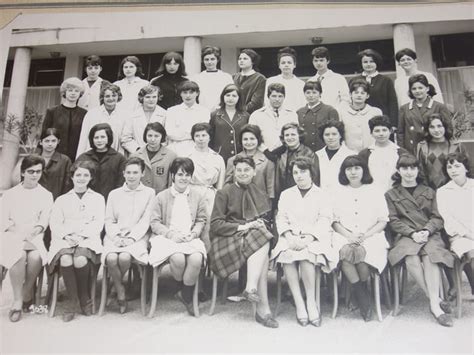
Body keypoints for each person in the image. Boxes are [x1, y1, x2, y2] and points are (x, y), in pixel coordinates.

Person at [385, 154, 454, 327]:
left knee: (431, 256)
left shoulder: (429, 191)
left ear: (417, 170)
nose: (409, 172)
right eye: (404, 168)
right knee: (411, 257)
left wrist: (426, 230)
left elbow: (437, 217)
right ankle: (435, 301)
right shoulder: (391, 194)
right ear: (398, 171)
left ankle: (433, 305)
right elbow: (393, 220)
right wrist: (411, 233)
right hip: (406, 235)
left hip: (429, 234)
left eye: (412, 168)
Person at [210, 156, 278, 328]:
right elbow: (216, 224)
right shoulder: (224, 192)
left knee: (262, 237)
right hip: (227, 240)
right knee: (262, 240)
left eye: (246, 170)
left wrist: (260, 224)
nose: (242, 173)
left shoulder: (258, 192)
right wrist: (246, 226)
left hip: (252, 239)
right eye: (238, 170)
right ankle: (261, 307)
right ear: (234, 172)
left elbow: (265, 219)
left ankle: (253, 293)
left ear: (254, 172)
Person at [271, 157, 337, 327]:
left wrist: (309, 238)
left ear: (311, 173)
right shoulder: (286, 194)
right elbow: (281, 218)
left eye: (303, 171)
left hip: (314, 237)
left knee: (308, 256)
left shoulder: (322, 195)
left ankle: (311, 302)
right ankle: (299, 303)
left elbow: (325, 219)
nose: (298, 176)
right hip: (290, 237)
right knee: (287, 255)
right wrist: (289, 236)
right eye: (295, 172)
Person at [332, 155, 389, 322]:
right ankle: (362, 294)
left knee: (363, 256)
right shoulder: (337, 192)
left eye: (357, 168)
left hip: (371, 235)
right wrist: (349, 235)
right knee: (346, 253)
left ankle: (359, 290)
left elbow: (383, 220)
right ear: (344, 172)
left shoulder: (375, 190)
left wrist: (365, 235)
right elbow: (334, 221)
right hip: (344, 235)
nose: (353, 172)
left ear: (363, 170)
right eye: (348, 169)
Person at [148, 158, 207, 315]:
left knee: (196, 259)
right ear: (173, 175)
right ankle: (186, 292)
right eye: (180, 174)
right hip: (167, 238)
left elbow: (201, 220)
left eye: (187, 175)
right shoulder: (161, 196)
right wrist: (170, 234)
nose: (183, 178)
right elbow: (154, 222)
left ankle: (185, 294)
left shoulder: (197, 196)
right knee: (178, 259)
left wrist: (194, 233)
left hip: (189, 237)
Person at [48, 160, 105, 322]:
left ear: (91, 178)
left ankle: (84, 296)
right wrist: (67, 236)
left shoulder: (98, 199)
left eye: (85, 175)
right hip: (65, 239)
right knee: (66, 259)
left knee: (80, 259)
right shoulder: (62, 199)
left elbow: (98, 223)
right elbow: (55, 223)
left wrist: (81, 236)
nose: (81, 178)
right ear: (72, 177)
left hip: (87, 239)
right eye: (78, 174)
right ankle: (71, 302)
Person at [1, 155, 53, 322]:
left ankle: (26, 291)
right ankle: (18, 300)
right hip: (12, 235)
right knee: (19, 254)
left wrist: (36, 229)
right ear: (23, 172)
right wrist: (19, 232)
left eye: (38, 171)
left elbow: (44, 220)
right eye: (31, 171)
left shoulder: (46, 195)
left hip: (34, 236)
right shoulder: (10, 194)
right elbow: (3, 219)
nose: (34, 175)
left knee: (36, 256)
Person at [103, 157, 155, 314]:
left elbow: (146, 220)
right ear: (123, 173)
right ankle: (120, 289)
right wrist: (117, 237)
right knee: (111, 258)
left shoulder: (149, 193)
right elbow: (109, 220)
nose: (132, 176)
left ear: (142, 173)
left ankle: (116, 284)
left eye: (135, 172)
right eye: (128, 172)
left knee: (125, 257)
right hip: (115, 235)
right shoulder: (114, 194)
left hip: (138, 236)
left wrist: (131, 238)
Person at [437, 152, 474, 294]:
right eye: (449, 167)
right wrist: (470, 235)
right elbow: (448, 219)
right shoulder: (443, 191)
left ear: (466, 168)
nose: (453, 170)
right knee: (472, 252)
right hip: (460, 236)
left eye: (457, 166)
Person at [187, 123, 226, 250]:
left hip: (210, 195)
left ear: (209, 137)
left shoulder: (217, 158)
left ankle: (208, 259)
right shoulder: (187, 156)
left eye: (204, 135)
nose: (201, 138)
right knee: (191, 224)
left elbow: (220, 184)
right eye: (197, 135)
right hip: (191, 193)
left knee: (208, 227)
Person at [398, 74, 452, 155]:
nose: (417, 91)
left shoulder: (439, 107)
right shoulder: (404, 108)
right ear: (410, 91)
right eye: (414, 89)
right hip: (411, 150)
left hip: (433, 150)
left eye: (420, 88)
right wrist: (402, 152)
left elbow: (448, 130)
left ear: (427, 88)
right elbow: (400, 133)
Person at [76, 83, 129, 157]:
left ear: (118, 96)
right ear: (102, 97)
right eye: (107, 96)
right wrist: (79, 159)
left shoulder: (125, 115)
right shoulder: (92, 114)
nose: (111, 98)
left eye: (114, 95)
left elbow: (125, 139)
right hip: (93, 155)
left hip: (115, 156)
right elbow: (83, 138)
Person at [41, 77, 87, 161]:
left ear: (80, 94)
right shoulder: (52, 111)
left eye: (76, 91)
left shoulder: (84, 113)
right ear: (64, 92)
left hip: (76, 156)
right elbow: (44, 135)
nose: (73, 93)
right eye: (70, 90)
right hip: (55, 156)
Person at [358, 115, 409, 192]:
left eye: (384, 130)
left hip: (396, 195)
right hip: (372, 193)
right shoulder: (364, 154)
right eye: (377, 131)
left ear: (390, 131)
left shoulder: (401, 153)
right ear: (371, 133)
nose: (381, 134)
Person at [76, 123, 126, 200]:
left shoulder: (119, 158)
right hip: (87, 201)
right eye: (96, 137)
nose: (99, 140)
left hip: (110, 201)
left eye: (102, 137)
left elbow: (121, 184)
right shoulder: (83, 157)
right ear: (92, 139)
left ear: (108, 138)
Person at [416, 113, 467, 190]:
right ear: (427, 129)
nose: (436, 130)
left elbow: (467, 169)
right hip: (429, 191)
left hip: (454, 190)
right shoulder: (422, 146)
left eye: (439, 126)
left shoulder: (457, 146)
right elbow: (420, 171)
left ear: (445, 127)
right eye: (432, 127)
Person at [225, 124, 275, 200]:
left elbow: (270, 188)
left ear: (258, 140)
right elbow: (228, 184)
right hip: (238, 202)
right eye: (245, 139)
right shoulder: (232, 160)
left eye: (252, 139)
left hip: (260, 203)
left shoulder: (267, 161)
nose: (249, 142)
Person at [353, 49, 398, 130]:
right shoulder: (354, 80)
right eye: (365, 62)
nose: (368, 64)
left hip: (382, 120)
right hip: (360, 119)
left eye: (372, 61)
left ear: (376, 62)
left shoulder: (386, 80)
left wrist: (393, 124)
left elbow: (392, 102)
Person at [165, 81, 211, 157]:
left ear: (197, 93)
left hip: (196, 149)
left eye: (191, 92)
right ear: (180, 94)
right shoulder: (172, 111)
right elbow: (170, 133)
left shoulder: (204, 111)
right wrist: (191, 134)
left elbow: (202, 133)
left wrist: (180, 133)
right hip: (175, 150)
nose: (188, 96)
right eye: (185, 92)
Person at [249, 83, 298, 153]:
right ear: (268, 96)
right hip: (263, 155)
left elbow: (295, 136)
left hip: (287, 154)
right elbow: (252, 136)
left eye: (280, 96)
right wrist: (265, 151)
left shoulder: (292, 115)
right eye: (274, 96)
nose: (277, 99)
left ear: (284, 97)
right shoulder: (256, 115)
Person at [275, 123, 320, 199]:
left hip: (303, 195)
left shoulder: (308, 153)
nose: (290, 137)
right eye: (287, 135)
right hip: (285, 195)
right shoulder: (282, 154)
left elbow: (314, 177)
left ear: (299, 136)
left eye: (293, 134)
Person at [337, 78, 383, 152]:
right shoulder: (342, 112)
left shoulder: (376, 112)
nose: (359, 95)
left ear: (367, 95)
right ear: (350, 94)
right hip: (349, 153)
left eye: (362, 93)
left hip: (371, 152)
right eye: (356, 92)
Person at [209, 83, 250, 163]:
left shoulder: (245, 116)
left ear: (239, 98)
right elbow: (210, 136)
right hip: (220, 155)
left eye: (234, 96)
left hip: (240, 156)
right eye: (228, 95)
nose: (230, 98)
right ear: (223, 97)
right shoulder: (215, 115)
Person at [132, 122, 177, 194]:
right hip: (140, 197)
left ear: (162, 137)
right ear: (145, 136)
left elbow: (171, 183)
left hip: (161, 197)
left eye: (156, 136)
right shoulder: (135, 156)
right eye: (149, 136)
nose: (153, 139)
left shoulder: (171, 156)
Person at [121, 84, 167, 154]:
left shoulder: (165, 114)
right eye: (148, 97)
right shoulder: (132, 116)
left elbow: (167, 138)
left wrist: (158, 150)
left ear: (158, 97)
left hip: (159, 154)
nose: (151, 100)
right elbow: (125, 139)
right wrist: (138, 150)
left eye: (154, 97)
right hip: (138, 154)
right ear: (142, 98)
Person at [297, 81, 339, 152]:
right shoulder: (300, 112)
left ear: (320, 94)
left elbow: (336, 133)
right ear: (304, 94)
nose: (311, 95)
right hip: (304, 152)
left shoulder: (330, 110)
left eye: (314, 92)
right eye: (308, 92)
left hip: (324, 151)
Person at [316, 120, 356, 192]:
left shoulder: (351, 155)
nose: (330, 137)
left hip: (343, 195)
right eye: (327, 135)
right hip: (322, 195)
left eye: (334, 134)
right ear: (322, 136)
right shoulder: (317, 155)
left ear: (340, 135)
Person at [192, 46, 233, 111]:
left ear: (217, 60)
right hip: (201, 111)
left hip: (221, 111)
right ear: (203, 61)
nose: (209, 62)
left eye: (212, 59)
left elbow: (230, 94)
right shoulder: (197, 78)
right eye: (206, 59)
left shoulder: (226, 77)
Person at [264, 47, 306, 111]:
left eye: (289, 63)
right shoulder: (271, 81)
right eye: (283, 63)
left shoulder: (301, 84)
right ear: (279, 65)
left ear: (294, 65)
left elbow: (303, 103)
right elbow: (266, 101)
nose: (286, 65)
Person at [37, 128, 72, 200]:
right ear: (40, 142)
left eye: (53, 141)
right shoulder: (33, 160)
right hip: (36, 200)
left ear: (58, 141)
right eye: (47, 141)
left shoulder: (65, 160)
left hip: (56, 200)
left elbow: (68, 185)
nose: (50, 144)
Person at [232, 48, 266, 114]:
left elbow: (257, 103)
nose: (241, 61)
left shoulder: (260, 78)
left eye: (245, 59)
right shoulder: (234, 77)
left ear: (253, 61)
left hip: (250, 115)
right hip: (233, 115)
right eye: (240, 59)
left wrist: (240, 112)